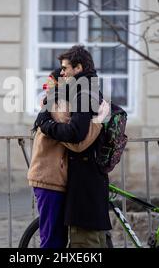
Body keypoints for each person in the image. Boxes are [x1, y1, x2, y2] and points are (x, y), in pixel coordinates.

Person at [35, 45, 112, 248]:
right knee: (53, 241)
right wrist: (45, 121)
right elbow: (76, 140)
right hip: (50, 177)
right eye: (60, 71)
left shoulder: (82, 92)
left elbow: (76, 138)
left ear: (77, 68)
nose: (62, 72)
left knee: (57, 241)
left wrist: (44, 122)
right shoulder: (60, 99)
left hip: (61, 178)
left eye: (64, 68)